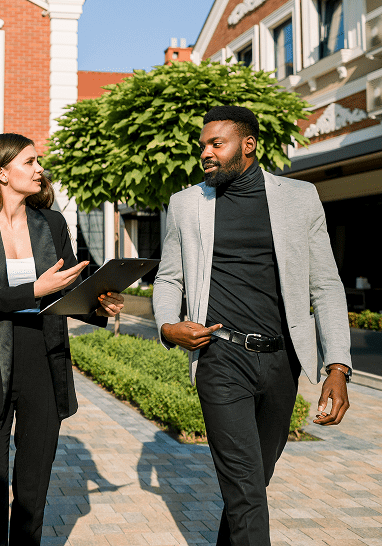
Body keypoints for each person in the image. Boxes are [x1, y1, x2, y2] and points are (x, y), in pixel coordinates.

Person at [153, 105, 352, 546]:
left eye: (216, 144)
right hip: (220, 357)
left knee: (254, 482)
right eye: (203, 145)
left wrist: (337, 366)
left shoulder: (300, 198)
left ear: (248, 145)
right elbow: (169, 278)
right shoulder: (187, 203)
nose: (205, 152)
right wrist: (167, 326)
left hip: (282, 362)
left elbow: (325, 285)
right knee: (245, 489)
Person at [0, 133, 124, 546]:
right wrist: (34, 291)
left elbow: (68, 296)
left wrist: (99, 306)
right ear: (1, 172)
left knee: (32, 496)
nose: (39, 169)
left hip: (45, 362)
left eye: (37, 161)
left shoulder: (53, 223)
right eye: (29, 162)